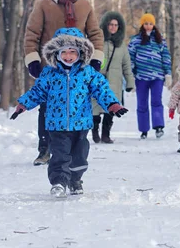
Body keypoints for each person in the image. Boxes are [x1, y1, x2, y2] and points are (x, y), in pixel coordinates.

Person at [12, 28, 128, 197]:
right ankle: (59, 182)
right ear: (55, 53)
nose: (68, 56)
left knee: (79, 157)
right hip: (56, 124)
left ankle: (75, 180)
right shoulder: (49, 73)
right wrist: (23, 104)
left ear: (80, 52)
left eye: (72, 52)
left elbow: (101, 89)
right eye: (63, 52)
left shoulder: (88, 73)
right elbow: (37, 91)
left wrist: (112, 104)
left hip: (81, 123)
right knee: (59, 155)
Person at [24, 0, 104, 166]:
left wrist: (96, 58)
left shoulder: (84, 6)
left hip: (78, 69)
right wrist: (33, 59)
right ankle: (45, 149)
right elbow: (32, 34)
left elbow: (95, 33)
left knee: (76, 107)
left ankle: (75, 149)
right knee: (47, 109)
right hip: (50, 68)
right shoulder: (43, 5)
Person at [91, 11, 135, 144]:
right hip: (97, 80)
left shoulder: (121, 45)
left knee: (111, 107)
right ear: (105, 25)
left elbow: (127, 65)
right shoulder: (97, 42)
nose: (113, 27)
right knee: (95, 107)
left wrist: (129, 82)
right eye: (110, 24)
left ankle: (106, 134)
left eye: (116, 25)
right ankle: (94, 131)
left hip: (114, 82)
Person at [128, 13, 172, 139]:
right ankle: (143, 130)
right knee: (142, 103)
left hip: (157, 76)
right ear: (142, 24)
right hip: (141, 77)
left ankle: (158, 127)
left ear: (154, 25)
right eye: (146, 23)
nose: (148, 26)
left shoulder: (160, 40)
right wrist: (131, 76)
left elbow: (166, 57)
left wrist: (168, 73)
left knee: (156, 101)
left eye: (151, 24)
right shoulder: (135, 40)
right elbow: (130, 59)